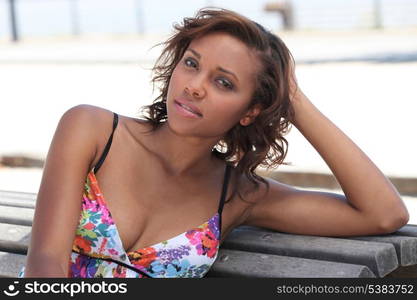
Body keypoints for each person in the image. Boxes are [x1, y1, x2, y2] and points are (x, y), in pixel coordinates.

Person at [20, 8, 409, 278]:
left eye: (223, 82)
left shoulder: (236, 195)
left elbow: (383, 214)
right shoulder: (91, 129)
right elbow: (45, 263)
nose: (194, 87)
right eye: (191, 63)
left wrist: (295, 101)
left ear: (250, 111)